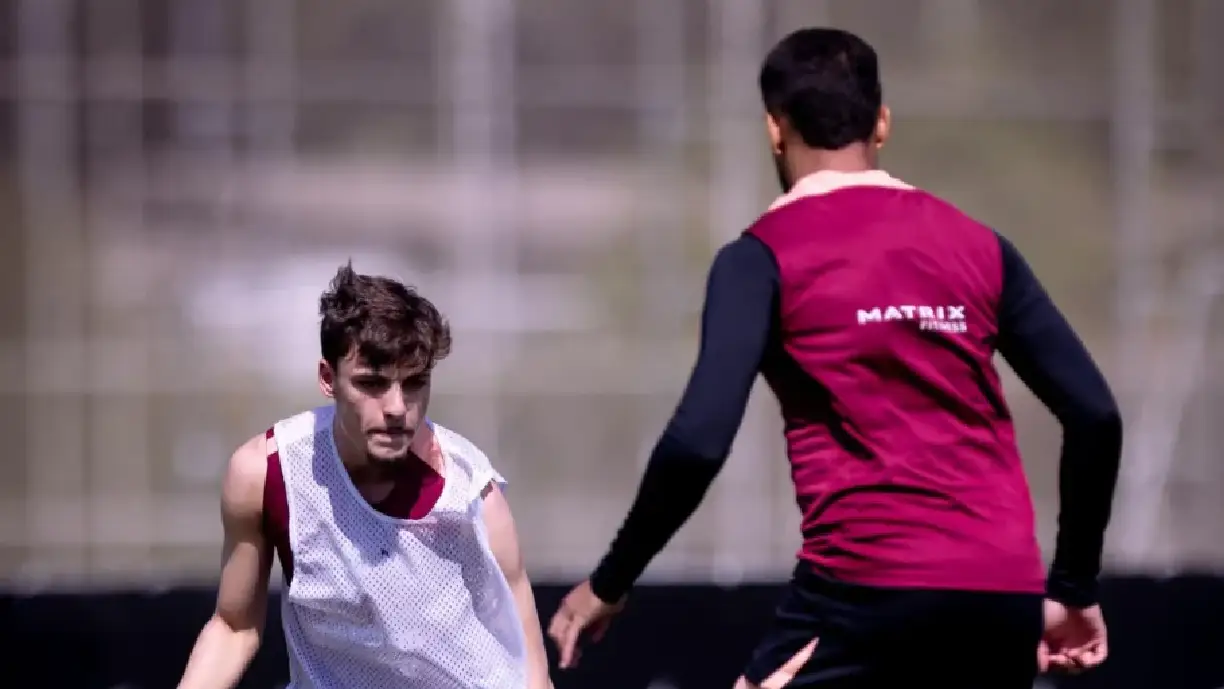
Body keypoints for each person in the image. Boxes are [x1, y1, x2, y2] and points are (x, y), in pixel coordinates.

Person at [547, 27, 1122, 689]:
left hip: (865, 594)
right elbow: (1095, 415)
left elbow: (698, 442)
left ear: (774, 128)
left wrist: (610, 581)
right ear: (882, 123)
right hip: (1001, 598)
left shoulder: (759, 258)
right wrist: (1073, 587)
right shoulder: (981, 246)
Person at [178, 263, 552, 689]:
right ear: (328, 379)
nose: (396, 408)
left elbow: (525, 654)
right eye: (372, 383)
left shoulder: (469, 492)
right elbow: (234, 628)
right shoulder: (265, 474)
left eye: (414, 383)